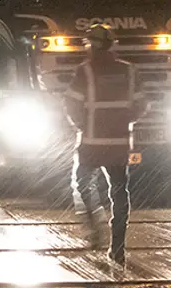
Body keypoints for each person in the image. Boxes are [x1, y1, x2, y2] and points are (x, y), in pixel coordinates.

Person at [63, 23, 150, 263]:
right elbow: (142, 104)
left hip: (91, 144)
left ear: (93, 45)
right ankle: (118, 248)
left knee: (82, 185)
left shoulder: (85, 71)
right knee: (120, 192)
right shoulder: (129, 71)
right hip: (119, 145)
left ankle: (95, 228)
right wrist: (125, 121)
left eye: (89, 44)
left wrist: (82, 124)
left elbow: (70, 104)